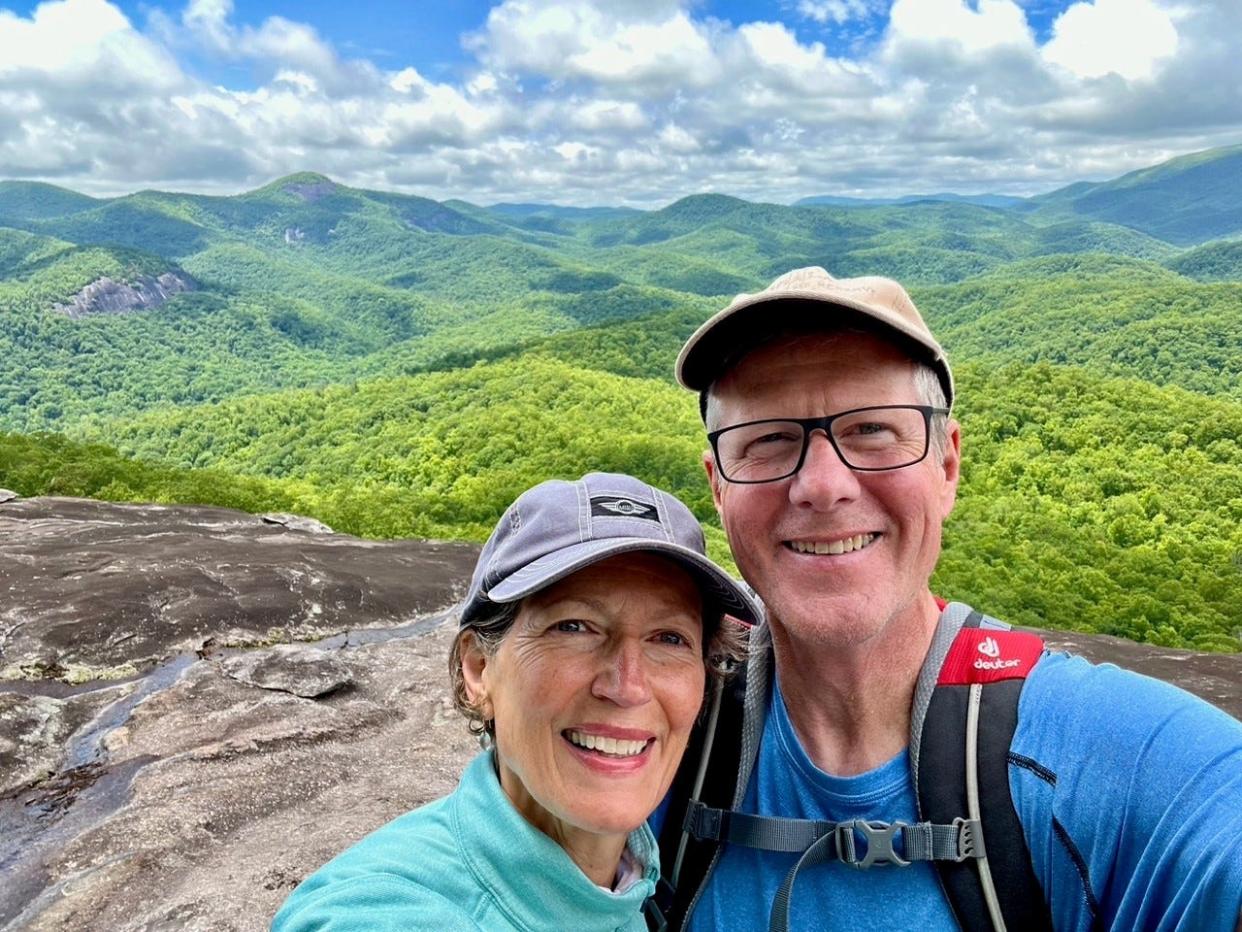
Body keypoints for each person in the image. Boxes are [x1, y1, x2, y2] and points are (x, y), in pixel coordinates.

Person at [656, 267, 1242, 931]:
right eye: (768, 440)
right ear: (717, 487)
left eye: (872, 430)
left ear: (947, 467)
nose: (823, 485)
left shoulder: (1092, 759)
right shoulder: (658, 739)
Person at [272, 472, 758, 931]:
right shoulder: (388, 912)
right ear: (479, 669)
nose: (627, 685)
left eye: (669, 639)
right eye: (573, 626)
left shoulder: (624, 880)